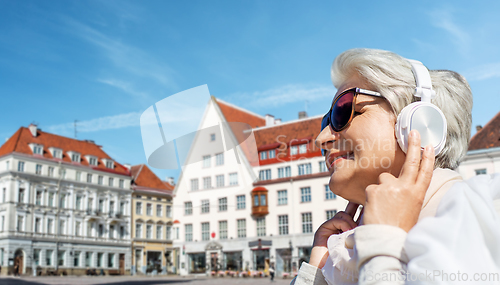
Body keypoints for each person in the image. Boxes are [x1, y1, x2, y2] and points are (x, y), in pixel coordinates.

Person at [291, 48, 499, 284]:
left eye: (343, 111)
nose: (322, 139)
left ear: (418, 121)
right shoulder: (338, 254)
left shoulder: (485, 210)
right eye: (325, 122)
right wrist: (315, 273)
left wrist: (383, 241)